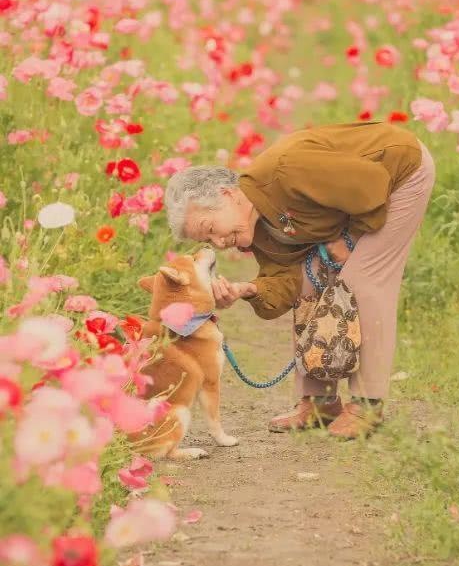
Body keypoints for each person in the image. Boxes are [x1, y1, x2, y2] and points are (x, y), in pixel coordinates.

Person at [164, 121, 435, 439]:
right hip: (361, 200)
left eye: (211, 228)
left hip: (400, 175)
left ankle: (367, 405)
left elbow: (373, 184)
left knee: (363, 281)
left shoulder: (286, 170)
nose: (220, 243)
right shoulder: (253, 228)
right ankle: (320, 401)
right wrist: (248, 289)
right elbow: (287, 279)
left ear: (228, 195)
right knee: (310, 283)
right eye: (209, 240)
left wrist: (352, 236)